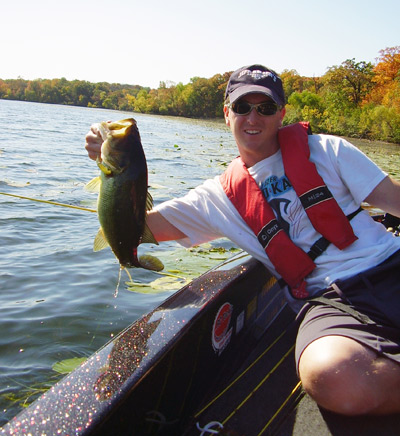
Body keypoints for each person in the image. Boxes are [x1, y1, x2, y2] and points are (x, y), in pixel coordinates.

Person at [85, 64, 400, 416]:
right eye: (241, 107)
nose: (253, 116)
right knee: (331, 378)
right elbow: (136, 228)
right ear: (226, 113)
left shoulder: (329, 150)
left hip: (390, 264)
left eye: (265, 107)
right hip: (328, 301)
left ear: (281, 114)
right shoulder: (214, 199)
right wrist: (113, 165)